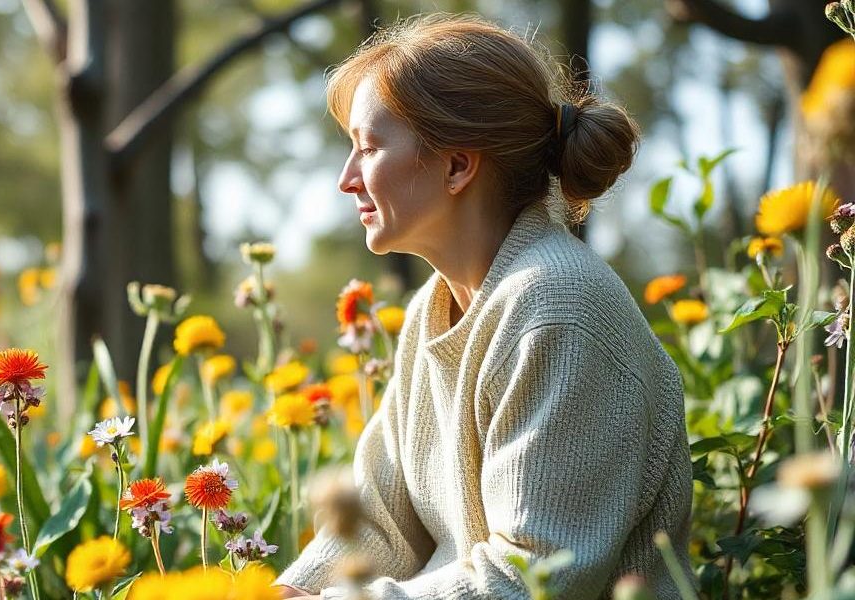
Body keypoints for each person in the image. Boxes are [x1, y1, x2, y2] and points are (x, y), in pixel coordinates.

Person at [275, 14, 692, 599]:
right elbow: (378, 521)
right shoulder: (434, 309)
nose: (347, 179)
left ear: (455, 165)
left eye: (368, 147)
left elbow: (535, 572)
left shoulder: (560, 310)